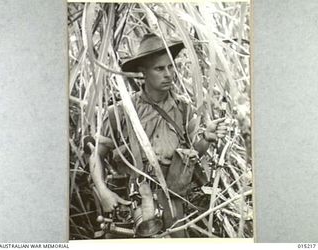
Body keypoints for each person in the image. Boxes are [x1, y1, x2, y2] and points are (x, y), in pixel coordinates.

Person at [88, 33, 229, 238]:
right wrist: (102, 191)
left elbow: (189, 156)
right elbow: (95, 155)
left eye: (171, 66)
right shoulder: (119, 113)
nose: (169, 74)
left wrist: (206, 139)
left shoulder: (183, 109)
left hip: (173, 209)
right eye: (159, 68)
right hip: (131, 212)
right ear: (142, 73)